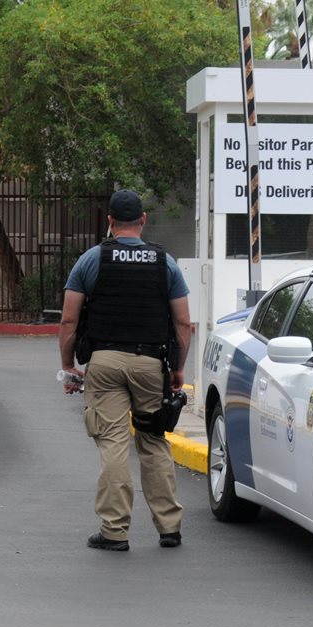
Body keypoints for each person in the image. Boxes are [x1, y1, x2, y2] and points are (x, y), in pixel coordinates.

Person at [58, 189, 191, 551]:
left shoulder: (91, 260)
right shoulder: (165, 263)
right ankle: (169, 528)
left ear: (110, 221)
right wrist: (178, 370)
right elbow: (183, 324)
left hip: (104, 364)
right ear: (143, 220)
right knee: (152, 440)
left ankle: (115, 531)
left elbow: (69, 320)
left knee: (113, 444)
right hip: (151, 364)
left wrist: (69, 367)